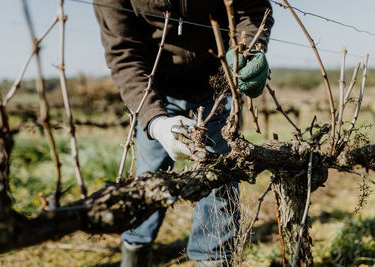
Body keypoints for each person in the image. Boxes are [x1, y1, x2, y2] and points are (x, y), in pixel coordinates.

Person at [93, 1, 274, 266]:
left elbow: (253, 8)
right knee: (148, 179)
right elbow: (124, 54)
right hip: (154, 90)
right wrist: (155, 122)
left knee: (220, 181)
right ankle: (135, 251)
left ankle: (213, 259)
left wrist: (246, 51)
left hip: (216, 85)